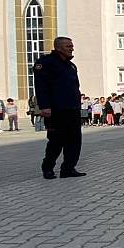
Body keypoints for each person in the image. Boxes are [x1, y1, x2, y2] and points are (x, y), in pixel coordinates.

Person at [34, 36, 86, 179]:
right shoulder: (45, 63)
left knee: (74, 140)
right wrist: (45, 106)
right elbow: (41, 86)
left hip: (72, 109)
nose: (72, 48)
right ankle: (48, 168)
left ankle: (68, 169)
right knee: (56, 141)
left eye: (72, 46)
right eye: (68, 46)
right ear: (58, 48)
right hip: (55, 110)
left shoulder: (71, 66)